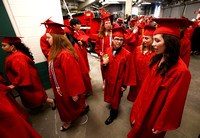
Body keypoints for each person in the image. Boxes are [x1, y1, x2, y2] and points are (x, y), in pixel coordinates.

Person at [128, 18, 191, 138]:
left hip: (154, 114)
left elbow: (173, 104)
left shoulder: (180, 71)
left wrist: (161, 124)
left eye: (157, 41)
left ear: (169, 42)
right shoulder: (157, 59)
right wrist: (137, 109)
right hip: (143, 107)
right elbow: (145, 88)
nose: (153, 44)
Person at [45, 22, 89, 131]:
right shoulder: (54, 51)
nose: (47, 40)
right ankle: (82, 107)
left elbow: (73, 76)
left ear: (56, 39)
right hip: (59, 86)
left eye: (49, 37)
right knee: (67, 104)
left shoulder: (65, 54)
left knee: (68, 105)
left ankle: (69, 120)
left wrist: (75, 93)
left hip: (65, 88)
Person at [1, 36, 55, 110]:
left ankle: (52, 101)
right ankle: (46, 103)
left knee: (35, 95)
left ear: (12, 46)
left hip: (27, 81)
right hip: (28, 79)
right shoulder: (16, 55)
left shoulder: (18, 57)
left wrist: (14, 84)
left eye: (4, 45)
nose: (2, 47)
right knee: (35, 95)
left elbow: (22, 72)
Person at [102, 25, 135, 125]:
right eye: (116, 39)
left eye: (121, 40)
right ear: (112, 40)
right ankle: (111, 104)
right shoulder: (107, 50)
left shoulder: (127, 54)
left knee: (116, 99)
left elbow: (128, 71)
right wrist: (104, 63)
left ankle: (113, 114)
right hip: (109, 78)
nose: (119, 42)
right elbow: (104, 63)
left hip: (118, 81)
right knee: (109, 94)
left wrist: (124, 85)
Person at [127, 25, 156, 102]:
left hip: (147, 83)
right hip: (136, 81)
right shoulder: (137, 50)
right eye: (143, 38)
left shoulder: (156, 54)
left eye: (146, 38)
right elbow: (132, 66)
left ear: (153, 39)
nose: (144, 40)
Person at [64, 25, 93, 96]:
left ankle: (87, 91)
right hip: (78, 63)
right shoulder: (70, 44)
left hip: (80, 64)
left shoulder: (75, 46)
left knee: (84, 77)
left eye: (64, 34)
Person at [95, 14, 113, 83]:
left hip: (112, 56)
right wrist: (99, 52)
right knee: (104, 70)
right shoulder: (100, 35)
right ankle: (105, 82)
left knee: (111, 71)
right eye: (106, 23)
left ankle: (110, 83)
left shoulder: (112, 33)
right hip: (104, 56)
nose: (108, 24)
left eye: (109, 23)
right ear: (103, 25)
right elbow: (97, 46)